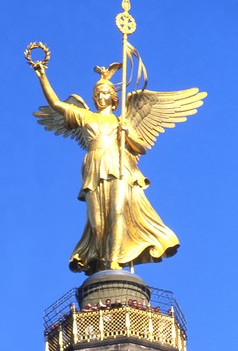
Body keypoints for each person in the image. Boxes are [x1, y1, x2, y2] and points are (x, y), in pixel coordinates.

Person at [32, 62, 204, 274]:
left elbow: (140, 148)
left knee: (117, 211)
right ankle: (102, 260)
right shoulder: (85, 116)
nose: (100, 96)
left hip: (118, 162)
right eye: (97, 93)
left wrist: (128, 133)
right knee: (97, 220)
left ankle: (113, 260)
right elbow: (56, 103)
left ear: (113, 97)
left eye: (104, 92)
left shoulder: (121, 120)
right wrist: (42, 76)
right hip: (94, 165)